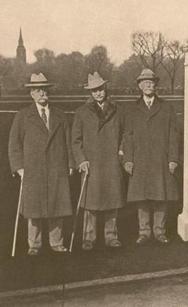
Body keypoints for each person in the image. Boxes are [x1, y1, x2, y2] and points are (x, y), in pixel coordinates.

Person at [8, 73, 74, 255]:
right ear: (31, 94)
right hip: (33, 169)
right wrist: (19, 167)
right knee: (34, 208)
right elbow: (14, 145)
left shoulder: (60, 115)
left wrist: (70, 163)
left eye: (44, 90)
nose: (42, 94)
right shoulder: (22, 116)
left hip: (56, 167)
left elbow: (68, 142)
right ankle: (34, 245)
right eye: (38, 91)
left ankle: (56, 242)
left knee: (57, 206)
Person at [122, 68, 179, 245]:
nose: (148, 84)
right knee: (142, 196)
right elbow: (127, 136)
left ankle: (159, 231)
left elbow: (174, 135)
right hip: (140, 159)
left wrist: (173, 159)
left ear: (155, 85)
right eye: (144, 82)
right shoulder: (132, 109)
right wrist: (128, 159)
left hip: (160, 158)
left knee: (160, 195)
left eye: (151, 81)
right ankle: (144, 231)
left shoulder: (167, 108)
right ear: (139, 86)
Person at [71, 72, 125, 250]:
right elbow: (75, 140)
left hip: (111, 162)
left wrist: (121, 152)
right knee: (90, 202)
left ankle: (111, 236)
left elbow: (126, 134)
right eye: (94, 91)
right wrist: (81, 160)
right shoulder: (81, 112)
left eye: (100, 89)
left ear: (105, 88)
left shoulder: (117, 110)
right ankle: (89, 237)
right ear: (90, 93)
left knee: (112, 200)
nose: (98, 93)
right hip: (91, 164)